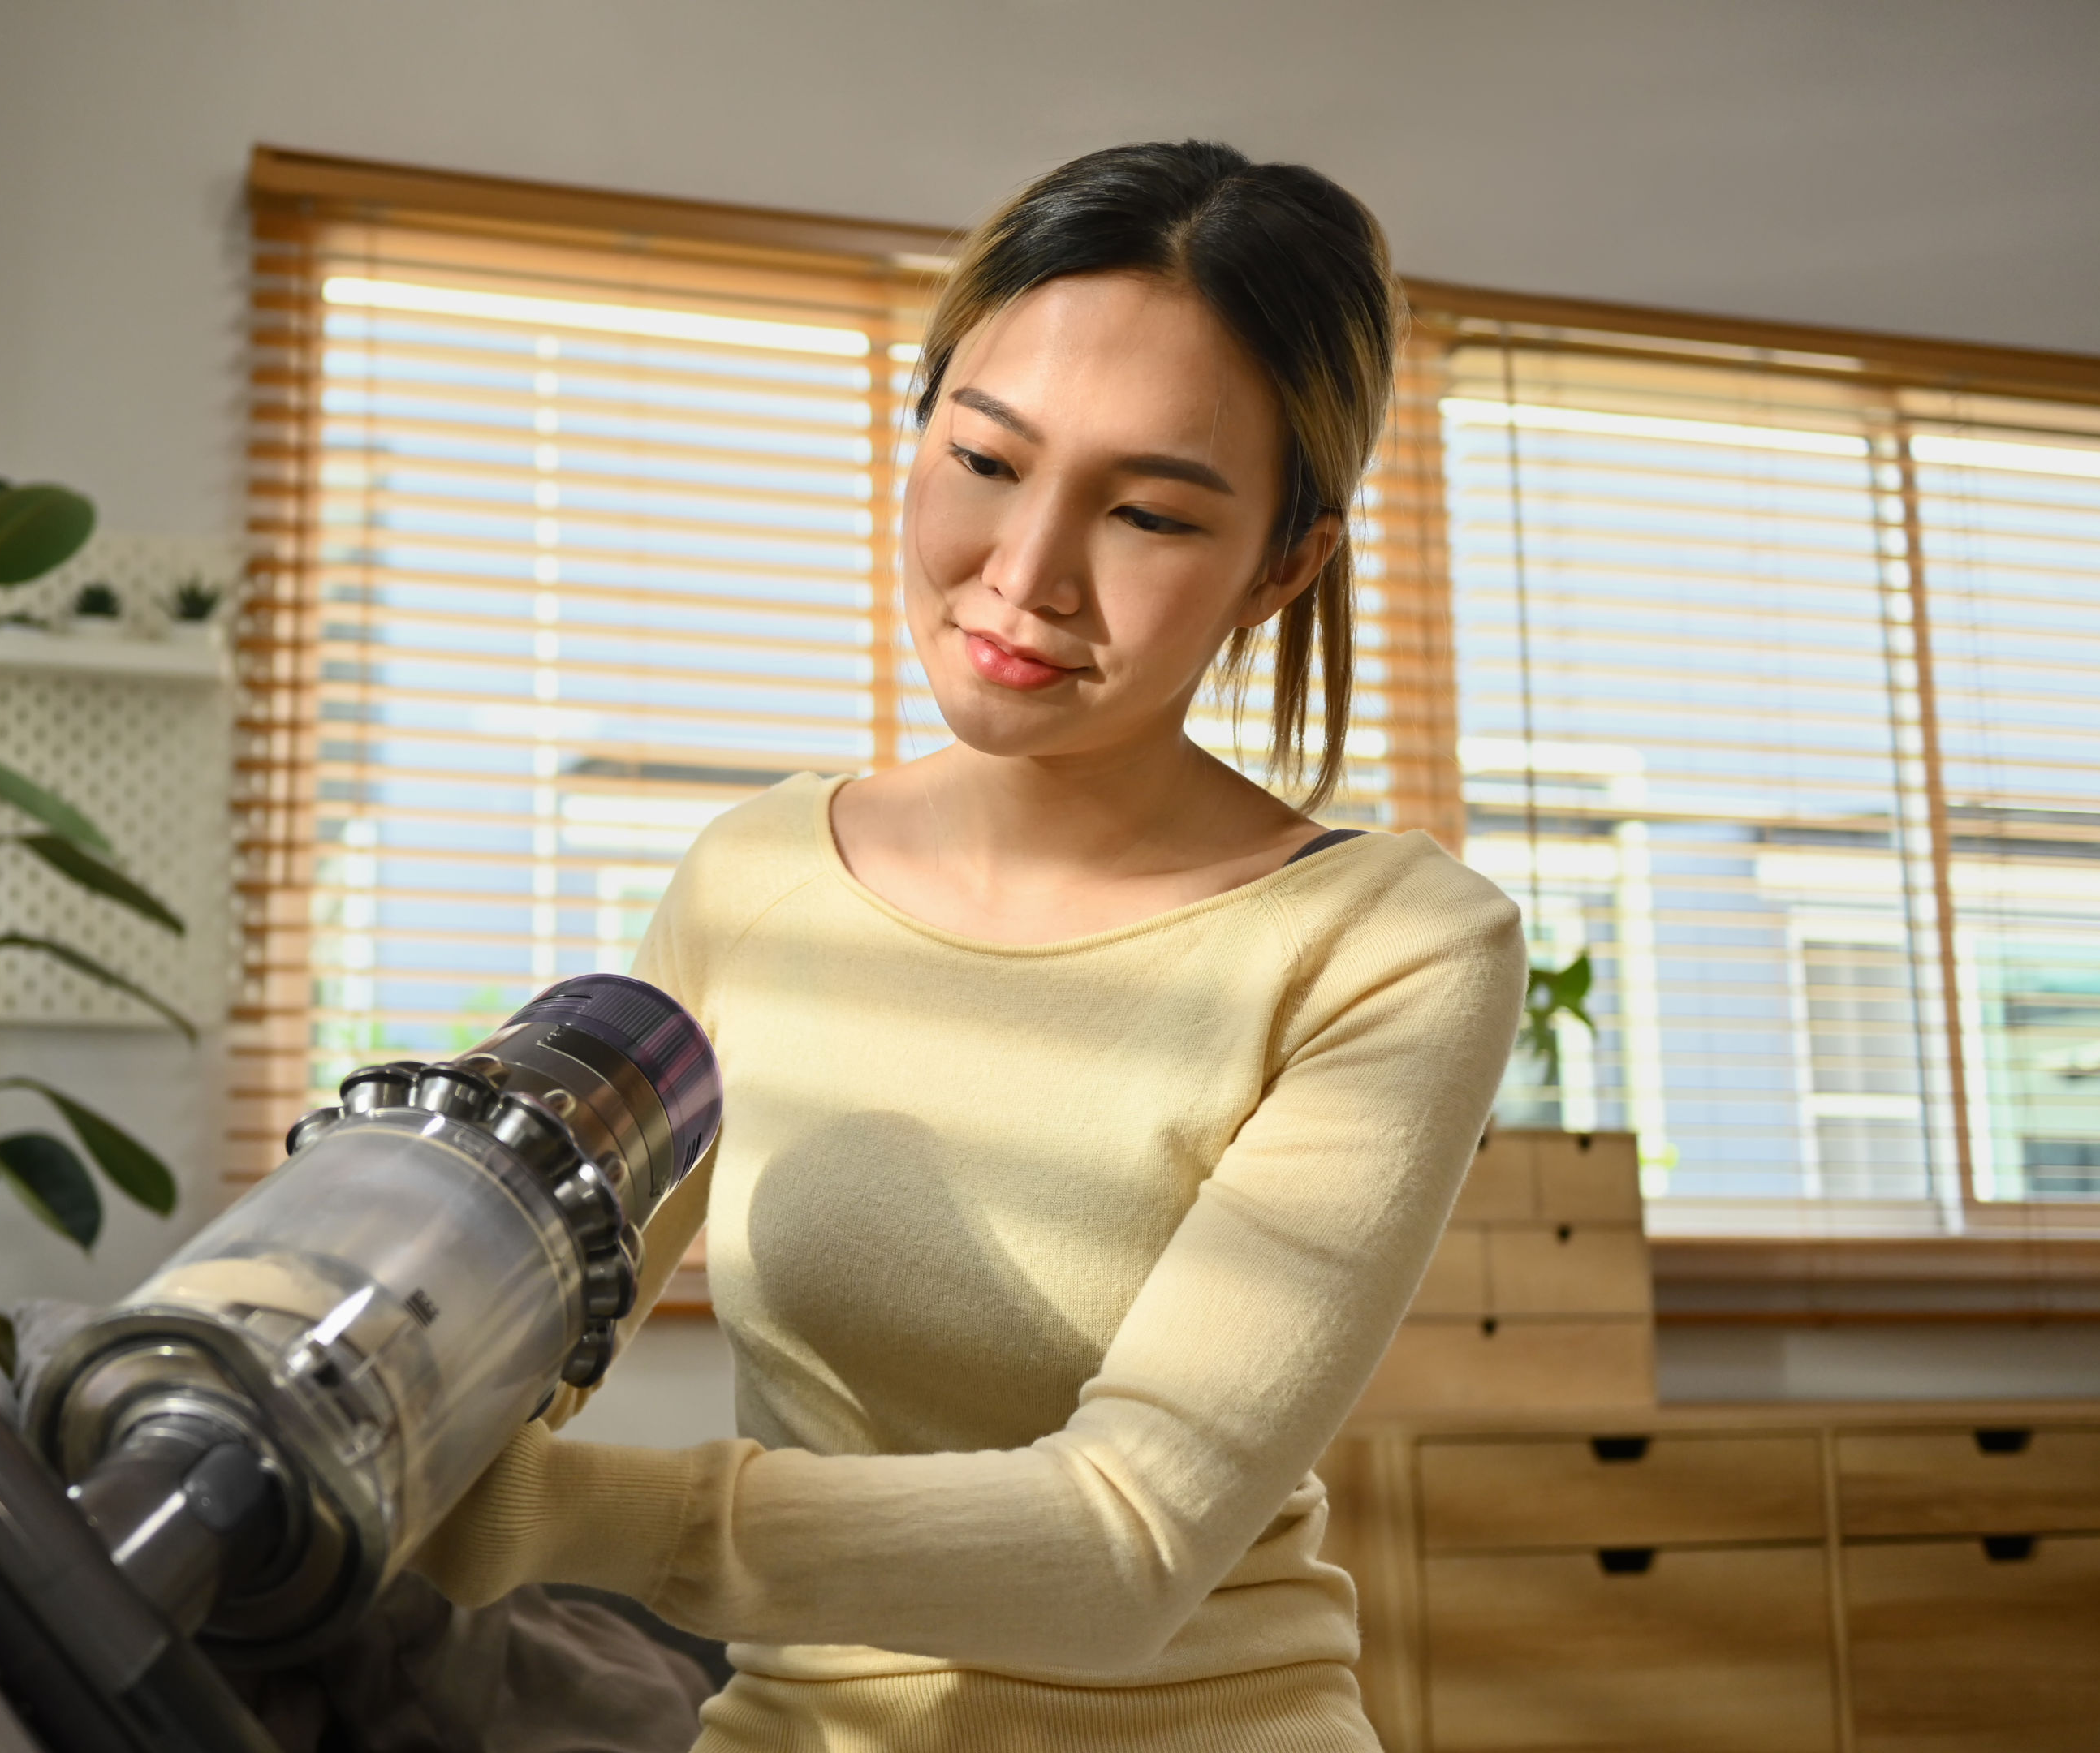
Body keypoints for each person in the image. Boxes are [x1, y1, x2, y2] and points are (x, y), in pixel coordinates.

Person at [419, 140, 1525, 1751]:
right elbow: (534, 1325)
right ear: (921, 423)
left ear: (1285, 563)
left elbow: (1127, 1540)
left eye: (1147, 512)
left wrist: (547, 1518)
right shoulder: (753, 881)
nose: (1025, 575)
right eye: (988, 459)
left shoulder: (1392, 947)